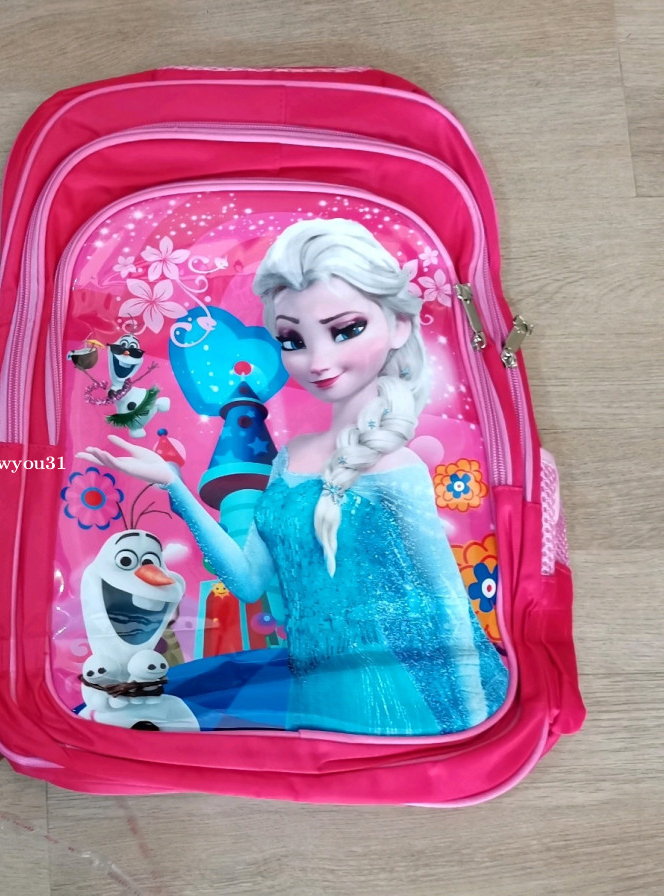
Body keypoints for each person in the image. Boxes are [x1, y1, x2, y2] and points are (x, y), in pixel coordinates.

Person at [79, 218, 508, 736]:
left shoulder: (397, 467)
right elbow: (247, 580)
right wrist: (174, 487)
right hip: (313, 686)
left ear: (398, 325)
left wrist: (472, 718)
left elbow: (448, 601)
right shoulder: (289, 457)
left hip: (392, 685)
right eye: (292, 339)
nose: (318, 360)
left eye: (345, 330)